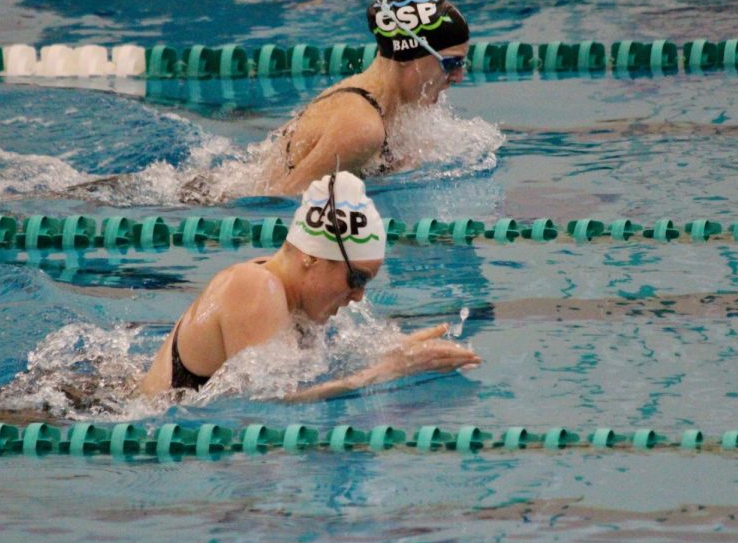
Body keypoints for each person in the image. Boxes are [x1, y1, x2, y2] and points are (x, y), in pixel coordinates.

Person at [138, 170, 481, 401]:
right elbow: (270, 405)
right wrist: (385, 372)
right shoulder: (256, 286)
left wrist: (392, 352)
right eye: (356, 278)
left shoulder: (292, 301)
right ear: (313, 257)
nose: (358, 296)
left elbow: (302, 377)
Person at [254, 0, 470, 196]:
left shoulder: (381, 106)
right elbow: (280, 199)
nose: (458, 77)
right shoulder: (362, 127)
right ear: (407, 56)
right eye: (451, 63)